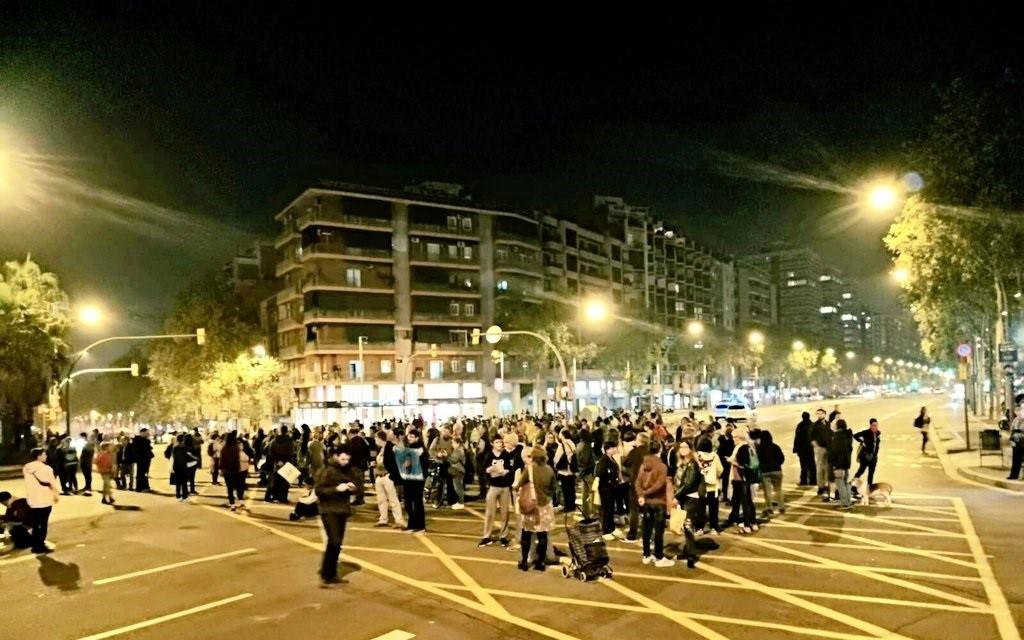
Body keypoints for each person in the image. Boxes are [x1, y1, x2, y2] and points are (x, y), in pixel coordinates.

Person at [314, 445, 362, 588]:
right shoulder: (327, 471)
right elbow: (319, 490)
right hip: (328, 510)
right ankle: (326, 574)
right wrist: (336, 489)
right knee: (334, 541)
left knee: (337, 543)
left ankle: (330, 572)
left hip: (342, 509)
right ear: (335, 456)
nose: (345, 461)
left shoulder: (349, 470)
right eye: (342, 459)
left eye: (347, 459)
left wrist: (353, 488)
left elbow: (359, 486)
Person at [513, 445, 557, 572]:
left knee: (526, 534)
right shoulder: (549, 470)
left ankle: (524, 561)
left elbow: (519, 484)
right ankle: (540, 563)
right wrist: (547, 495)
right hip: (545, 507)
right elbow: (554, 487)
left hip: (531, 507)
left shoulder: (530, 469)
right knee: (542, 535)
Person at [635, 440, 674, 568]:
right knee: (658, 531)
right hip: (659, 502)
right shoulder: (662, 466)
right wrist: (646, 493)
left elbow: (637, 483)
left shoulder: (643, 465)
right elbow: (660, 484)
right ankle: (659, 557)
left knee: (646, 529)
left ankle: (646, 555)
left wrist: (641, 495)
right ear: (660, 450)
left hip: (646, 503)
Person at [479, 435, 519, 547]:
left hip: (505, 486)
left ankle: (503, 536)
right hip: (493, 485)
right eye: (497, 442)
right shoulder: (489, 455)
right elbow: (483, 469)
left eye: (501, 442)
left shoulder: (506, 455)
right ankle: (486, 536)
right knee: (490, 512)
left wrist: (505, 471)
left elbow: (511, 468)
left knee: (505, 513)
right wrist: (490, 470)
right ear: (492, 443)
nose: (500, 444)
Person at [23, 448, 59, 554]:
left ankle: (35, 544)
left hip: (33, 500)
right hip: (45, 500)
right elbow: (52, 484)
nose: (46, 456)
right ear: (38, 456)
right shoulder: (47, 468)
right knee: (43, 523)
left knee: (35, 523)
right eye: (44, 454)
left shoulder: (26, 467)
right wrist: (56, 495)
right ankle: (40, 545)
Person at [673, 440, 703, 568]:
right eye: (681, 447)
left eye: (686, 447)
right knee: (685, 527)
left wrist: (677, 496)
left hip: (690, 497)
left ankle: (691, 555)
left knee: (688, 526)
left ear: (691, 449)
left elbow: (689, 484)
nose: (683, 449)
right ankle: (687, 551)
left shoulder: (692, 464)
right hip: (683, 497)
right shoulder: (681, 463)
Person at [395, 429, 427, 532]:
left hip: (417, 479)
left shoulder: (420, 449)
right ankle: (412, 524)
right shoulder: (408, 448)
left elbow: (415, 461)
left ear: (417, 438)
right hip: (408, 478)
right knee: (408, 502)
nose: (409, 438)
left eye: (412, 436)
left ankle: (420, 525)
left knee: (417, 502)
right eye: (409, 436)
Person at [728, 429, 758, 534]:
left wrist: (732, 461)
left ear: (739, 438)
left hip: (740, 478)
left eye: (734, 437)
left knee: (745, 502)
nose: (733, 440)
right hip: (747, 478)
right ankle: (753, 523)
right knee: (749, 500)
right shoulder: (748, 447)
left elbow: (742, 464)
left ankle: (746, 525)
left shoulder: (741, 448)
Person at [372, 432, 405, 528]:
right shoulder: (381, 449)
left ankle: (399, 520)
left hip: (388, 476)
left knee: (393, 499)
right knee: (381, 500)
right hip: (379, 476)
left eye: (376, 438)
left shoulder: (390, 447)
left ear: (379, 438)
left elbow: (395, 462)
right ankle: (383, 519)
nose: (375, 441)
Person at [695, 438, 723, 534]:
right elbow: (720, 470)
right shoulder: (715, 456)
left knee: (700, 508)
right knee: (713, 508)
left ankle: (699, 528)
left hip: (701, 486)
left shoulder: (697, 456)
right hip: (713, 486)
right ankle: (713, 527)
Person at [596, 441, 622, 540]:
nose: (615, 449)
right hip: (605, 489)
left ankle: (611, 528)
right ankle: (606, 530)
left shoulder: (611, 459)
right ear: (608, 449)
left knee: (611, 509)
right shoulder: (603, 460)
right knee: (607, 509)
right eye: (613, 447)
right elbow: (600, 474)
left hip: (612, 488)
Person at [756, 431, 785, 516]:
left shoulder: (759, 448)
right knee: (778, 490)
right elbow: (782, 458)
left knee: (767, 491)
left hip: (765, 472)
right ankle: (781, 507)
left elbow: (757, 460)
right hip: (777, 471)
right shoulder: (775, 446)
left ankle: (769, 508)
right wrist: (777, 464)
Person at [220, 431, 250, 512]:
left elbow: (221, 461)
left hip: (227, 471)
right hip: (236, 470)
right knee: (238, 486)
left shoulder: (224, 449)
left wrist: (222, 469)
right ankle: (240, 501)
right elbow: (244, 458)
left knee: (229, 488)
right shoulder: (237, 448)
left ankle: (232, 504)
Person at [829, 419, 854, 510]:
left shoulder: (837, 437)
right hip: (846, 464)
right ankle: (848, 502)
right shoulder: (848, 436)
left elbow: (834, 451)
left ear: (838, 426)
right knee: (846, 484)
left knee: (840, 484)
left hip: (839, 465)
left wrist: (831, 461)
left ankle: (844, 504)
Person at [552, 429, 577, 514]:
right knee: (572, 489)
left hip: (564, 470)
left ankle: (568, 506)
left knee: (566, 489)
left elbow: (557, 457)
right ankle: (572, 505)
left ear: (562, 435)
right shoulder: (572, 443)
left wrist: (555, 465)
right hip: (571, 469)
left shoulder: (562, 445)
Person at [810, 409, 832, 498]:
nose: (819, 415)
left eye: (821, 413)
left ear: (825, 414)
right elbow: (811, 437)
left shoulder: (828, 424)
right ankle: (820, 486)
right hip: (820, 448)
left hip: (828, 448)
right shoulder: (815, 425)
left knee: (827, 468)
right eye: (818, 414)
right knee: (819, 468)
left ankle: (826, 485)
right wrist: (816, 446)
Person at [853, 419, 882, 488]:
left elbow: (877, 446)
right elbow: (855, 435)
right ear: (870, 426)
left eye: (876, 425)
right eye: (874, 425)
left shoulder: (878, 433)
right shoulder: (866, 432)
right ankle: (853, 486)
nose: (875, 427)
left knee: (871, 473)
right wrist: (862, 442)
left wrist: (875, 455)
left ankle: (869, 488)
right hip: (865, 456)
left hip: (874, 457)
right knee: (860, 471)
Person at [793, 412, 816, 486]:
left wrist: (795, 448)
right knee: (812, 465)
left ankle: (804, 481)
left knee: (803, 465)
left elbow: (797, 438)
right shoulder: (812, 425)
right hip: (810, 448)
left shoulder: (800, 426)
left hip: (802, 449)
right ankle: (813, 480)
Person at [171, 434, 195, 502]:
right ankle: (184, 496)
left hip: (176, 466)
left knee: (178, 482)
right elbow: (186, 457)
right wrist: (194, 459)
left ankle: (178, 495)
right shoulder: (185, 447)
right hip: (183, 466)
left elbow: (173, 457)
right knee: (184, 482)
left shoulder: (175, 447)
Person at [448, 434, 467, 510]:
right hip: (459, 470)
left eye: (453, 443)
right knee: (458, 487)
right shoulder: (460, 449)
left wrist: (447, 456)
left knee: (458, 488)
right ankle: (460, 502)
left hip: (458, 470)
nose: (452, 444)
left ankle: (461, 503)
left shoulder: (458, 450)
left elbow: (454, 460)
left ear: (457, 443)